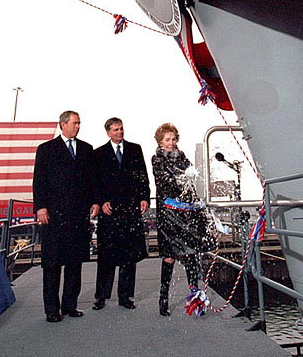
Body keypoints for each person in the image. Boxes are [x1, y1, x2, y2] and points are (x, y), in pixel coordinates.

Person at [33, 110, 99, 323]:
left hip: (78, 216)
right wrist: (40, 207)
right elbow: (39, 181)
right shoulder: (46, 150)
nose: (78, 126)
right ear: (63, 124)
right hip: (53, 216)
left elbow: (92, 180)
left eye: (80, 123)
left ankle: (70, 305)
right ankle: (52, 309)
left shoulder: (87, 149)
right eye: (75, 123)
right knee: (52, 265)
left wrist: (95, 201)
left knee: (74, 263)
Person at [152, 123, 214, 316]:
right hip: (168, 216)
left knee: (190, 254)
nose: (172, 143)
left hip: (186, 214)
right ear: (160, 142)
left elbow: (192, 183)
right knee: (169, 257)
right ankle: (163, 298)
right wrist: (182, 178)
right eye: (168, 140)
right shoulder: (157, 159)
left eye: (174, 139)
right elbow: (164, 182)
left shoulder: (182, 156)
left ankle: (195, 298)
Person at [92, 117, 150, 311]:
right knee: (106, 256)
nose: (120, 132)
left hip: (130, 209)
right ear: (108, 132)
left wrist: (144, 197)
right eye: (116, 130)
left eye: (121, 129)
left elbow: (143, 176)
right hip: (109, 211)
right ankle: (101, 297)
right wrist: (101, 201)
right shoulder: (98, 153)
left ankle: (125, 297)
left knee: (129, 255)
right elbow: (95, 181)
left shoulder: (135, 149)